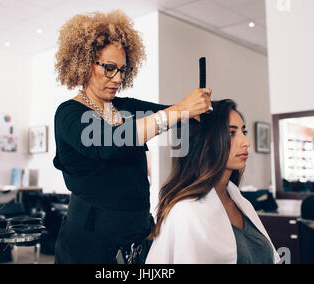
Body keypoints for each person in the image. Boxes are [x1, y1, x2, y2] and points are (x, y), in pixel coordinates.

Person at [53, 10, 212, 264]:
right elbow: (110, 142)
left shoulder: (124, 107)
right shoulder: (69, 114)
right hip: (89, 243)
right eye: (109, 68)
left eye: (122, 70)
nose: (117, 78)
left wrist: (195, 110)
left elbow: (169, 113)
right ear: (83, 63)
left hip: (137, 235)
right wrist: (180, 110)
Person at [145, 100, 281, 264]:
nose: (246, 142)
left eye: (243, 131)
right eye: (231, 133)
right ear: (206, 141)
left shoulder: (241, 203)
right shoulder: (186, 212)